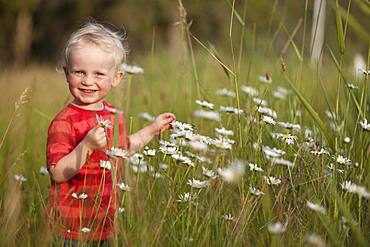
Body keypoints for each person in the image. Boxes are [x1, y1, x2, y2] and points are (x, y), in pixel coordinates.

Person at [46, 21, 176, 246]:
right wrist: (86, 146)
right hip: (72, 227)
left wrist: (152, 129)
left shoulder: (114, 115)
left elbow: (123, 150)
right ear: (67, 73)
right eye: (79, 72)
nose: (88, 81)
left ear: (116, 78)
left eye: (98, 74)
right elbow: (57, 173)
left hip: (105, 223)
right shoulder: (63, 122)